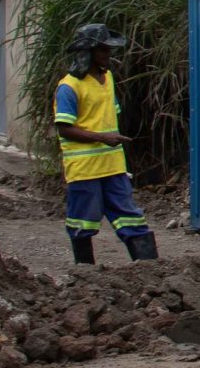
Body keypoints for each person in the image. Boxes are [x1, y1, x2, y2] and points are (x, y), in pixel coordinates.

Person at [54, 23, 156, 265]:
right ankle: (85, 275)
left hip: (113, 166)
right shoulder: (69, 87)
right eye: (103, 50)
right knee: (82, 224)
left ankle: (151, 271)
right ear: (87, 52)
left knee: (131, 219)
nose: (108, 54)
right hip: (85, 170)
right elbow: (64, 128)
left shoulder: (107, 78)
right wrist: (102, 138)